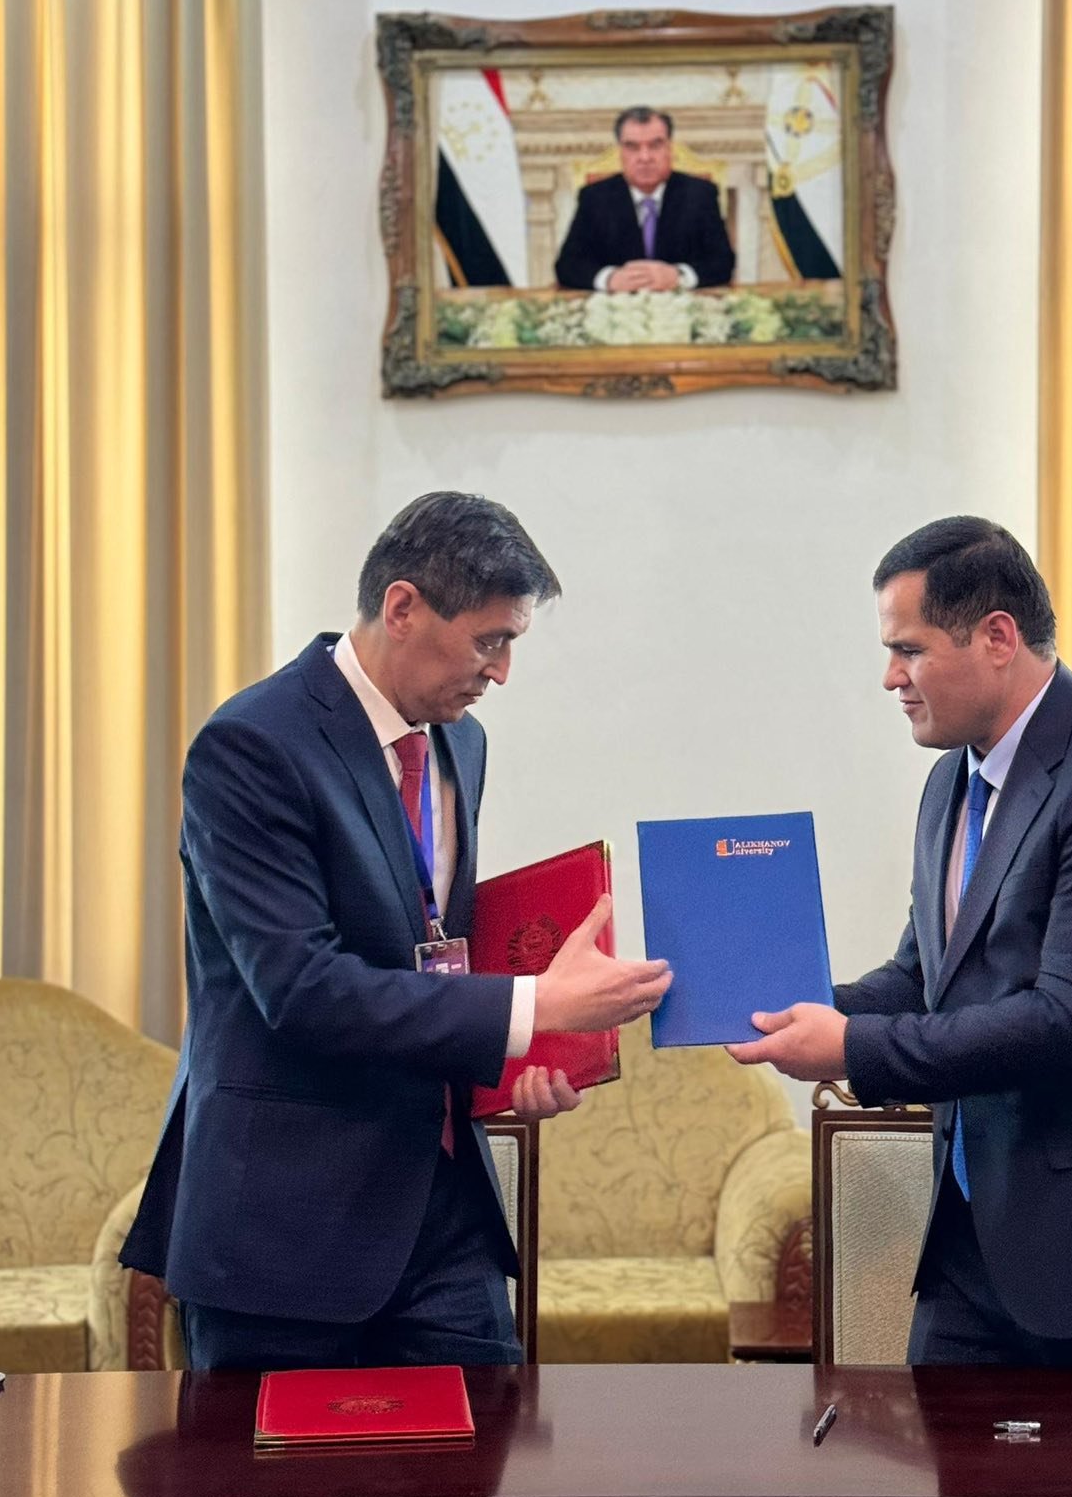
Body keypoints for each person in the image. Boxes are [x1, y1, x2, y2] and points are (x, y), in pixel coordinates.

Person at [122, 491, 671, 1371]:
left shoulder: (463, 743)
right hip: (286, 1230)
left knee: (486, 1457)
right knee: (278, 1470)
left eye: (512, 644)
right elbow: (304, 991)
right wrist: (534, 1005)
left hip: (445, 1213)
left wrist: (517, 1069)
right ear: (403, 606)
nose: (502, 674)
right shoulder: (251, 746)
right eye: (489, 641)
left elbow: (431, 951)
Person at [729, 516, 1072, 1368]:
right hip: (975, 1250)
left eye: (908, 650)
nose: (890, 677)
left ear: (996, 637)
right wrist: (769, 1002)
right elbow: (924, 978)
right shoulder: (951, 780)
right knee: (944, 1463)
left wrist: (850, 1048)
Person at [553, 106, 735, 292]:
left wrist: (678, 276)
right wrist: (610, 279)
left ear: (670, 149)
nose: (645, 157)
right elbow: (568, 265)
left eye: (655, 145)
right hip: (617, 305)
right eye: (632, 147)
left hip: (681, 303)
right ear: (620, 152)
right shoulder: (594, 197)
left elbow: (722, 262)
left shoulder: (700, 194)